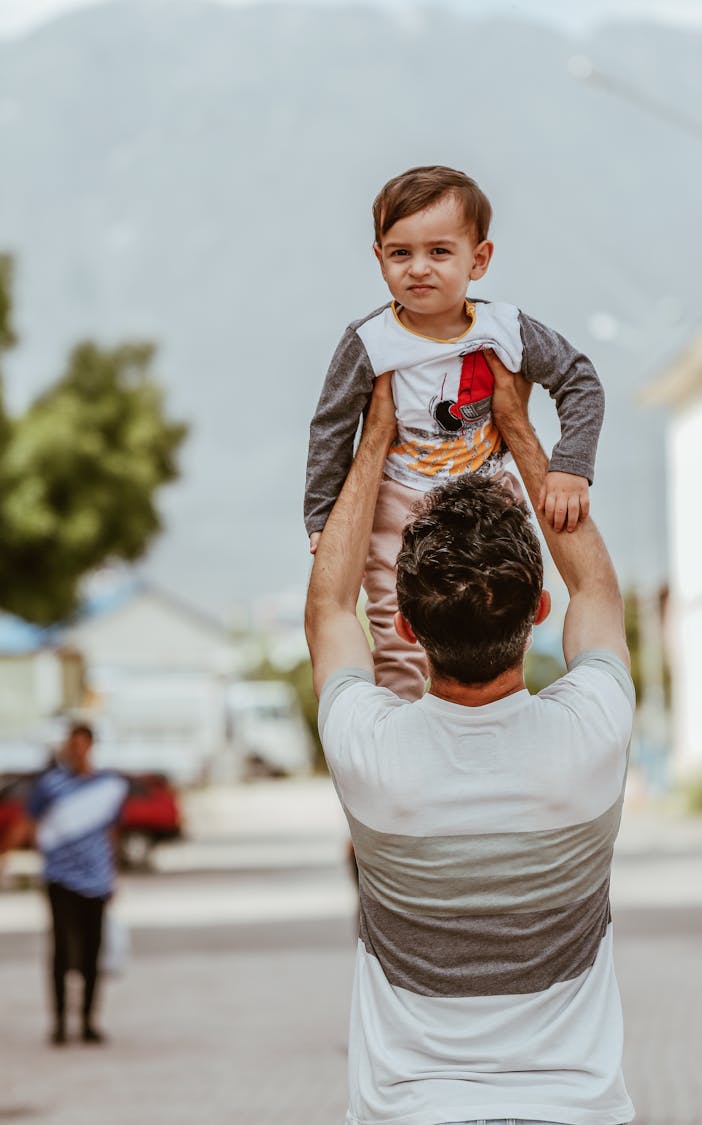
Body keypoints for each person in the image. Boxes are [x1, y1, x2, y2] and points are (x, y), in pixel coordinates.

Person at [304, 365, 635, 1125]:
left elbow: (330, 607)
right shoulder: (593, 734)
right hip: (576, 1111)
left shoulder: (370, 754)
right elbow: (598, 595)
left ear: (407, 625)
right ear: (538, 609)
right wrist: (519, 428)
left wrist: (375, 438)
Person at [305, 165, 604, 700]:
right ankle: (398, 721)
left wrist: (570, 466)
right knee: (395, 623)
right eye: (400, 253)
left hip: (491, 492)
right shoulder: (369, 341)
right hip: (398, 497)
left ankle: (502, 705)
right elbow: (331, 426)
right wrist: (322, 519)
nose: (419, 268)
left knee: (497, 611)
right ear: (379, 259)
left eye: (439, 252)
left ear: (479, 259)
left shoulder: (507, 329)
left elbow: (579, 380)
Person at [0, 723, 128, 1046]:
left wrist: (113, 874)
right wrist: (2, 858)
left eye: (82, 744)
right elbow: (27, 822)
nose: (77, 750)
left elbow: (111, 834)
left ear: (91, 746)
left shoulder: (107, 786)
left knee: (92, 951)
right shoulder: (51, 785)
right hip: (59, 877)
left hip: (95, 879)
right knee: (61, 949)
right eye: (73, 744)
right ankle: (58, 1023)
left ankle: (87, 1021)